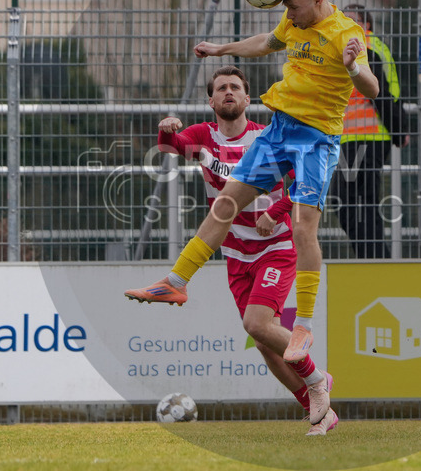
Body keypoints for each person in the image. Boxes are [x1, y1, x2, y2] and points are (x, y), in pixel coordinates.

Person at [124, 0, 378, 427]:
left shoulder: (346, 34)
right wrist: (221, 47)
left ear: (319, 1)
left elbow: (371, 85)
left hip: (315, 142)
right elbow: (267, 41)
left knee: (303, 225)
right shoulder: (293, 21)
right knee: (225, 202)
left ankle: (302, 326)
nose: (292, 17)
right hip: (278, 132)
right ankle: (175, 284)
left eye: (298, 9)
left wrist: (354, 67)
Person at [125, 66, 337, 435]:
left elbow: (302, 183)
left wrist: (275, 213)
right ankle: (316, 409)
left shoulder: (265, 138)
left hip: (276, 247)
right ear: (210, 100)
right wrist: (167, 127)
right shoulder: (201, 137)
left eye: (235, 87)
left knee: (255, 324)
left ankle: (319, 380)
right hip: (236, 254)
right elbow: (167, 147)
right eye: (220, 88)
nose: (228, 92)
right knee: (263, 340)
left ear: (247, 98)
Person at [331, 4, 409, 259]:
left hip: (367, 137)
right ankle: (372, 257)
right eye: (343, 19)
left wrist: (399, 130)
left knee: (355, 202)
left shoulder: (366, 47)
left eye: (352, 20)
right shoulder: (354, 47)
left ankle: (374, 258)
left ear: (367, 25)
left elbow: (382, 94)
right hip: (351, 139)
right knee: (353, 202)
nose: (346, 24)